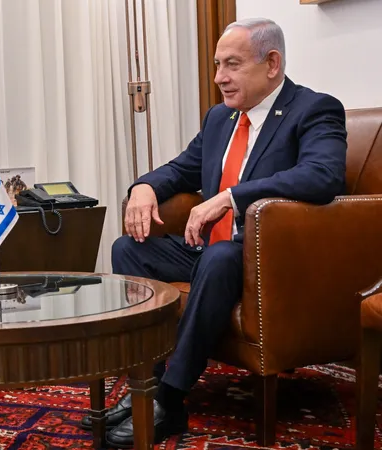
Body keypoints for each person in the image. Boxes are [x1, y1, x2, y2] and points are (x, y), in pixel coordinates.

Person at [80, 18, 348, 447]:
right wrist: (144, 187)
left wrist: (230, 197)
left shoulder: (314, 109)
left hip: (271, 260)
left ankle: (171, 400)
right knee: (129, 248)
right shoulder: (220, 118)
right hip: (212, 253)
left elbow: (322, 176)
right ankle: (146, 386)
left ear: (272, 63)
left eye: (232, 64)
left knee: (220, 257)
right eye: (217, 64)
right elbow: (181, 169)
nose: (220, 77)